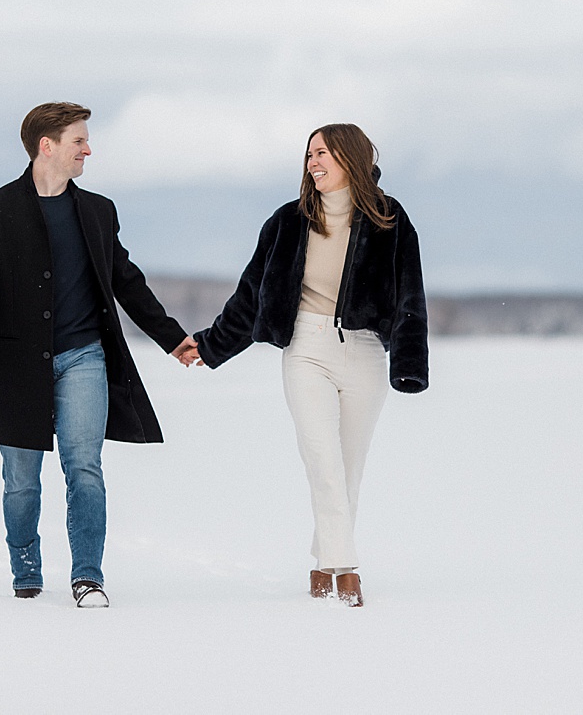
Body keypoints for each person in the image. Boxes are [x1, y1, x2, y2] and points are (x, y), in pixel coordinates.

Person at [0, 101, 197, 608]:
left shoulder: (98, 211)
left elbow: (127, 282)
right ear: (48, 146)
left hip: (84, 356)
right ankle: (25, 566)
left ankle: (88, 575)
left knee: (84, 467)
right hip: (14, 364)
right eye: (79, 141)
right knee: (20, 479)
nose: (89, 149)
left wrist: (172, 338)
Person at [178, 123, 428, 607]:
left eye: (323, 153)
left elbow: (410, 295)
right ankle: (347, 571)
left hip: (365, 354)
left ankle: (321, 564)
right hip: (306, 348)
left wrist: (410, 364)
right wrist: (210, 346)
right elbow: (250, 295)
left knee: (348, 468)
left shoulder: (389, 219)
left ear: (349, 158)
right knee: (323, 460)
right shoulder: (286, 222)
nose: (313, 162)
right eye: (309, 154)